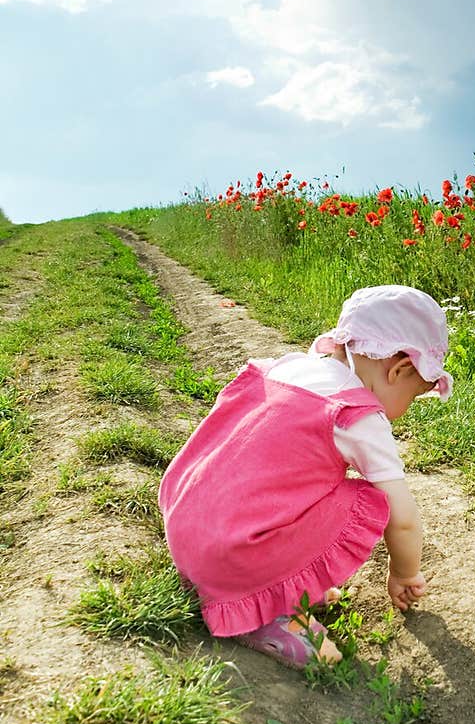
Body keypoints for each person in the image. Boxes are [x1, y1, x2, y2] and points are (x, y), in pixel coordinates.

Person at [158, 284, 453, 668]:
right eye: (415, 395)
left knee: (302, 487)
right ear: (399, 370)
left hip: (189, 528)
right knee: (364, 500)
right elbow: (404, 518)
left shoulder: (287, 367)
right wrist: (403, 572)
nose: (409, 408)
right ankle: (262, 616)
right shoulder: (356, 415)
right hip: (230, 556)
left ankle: (268, 584)